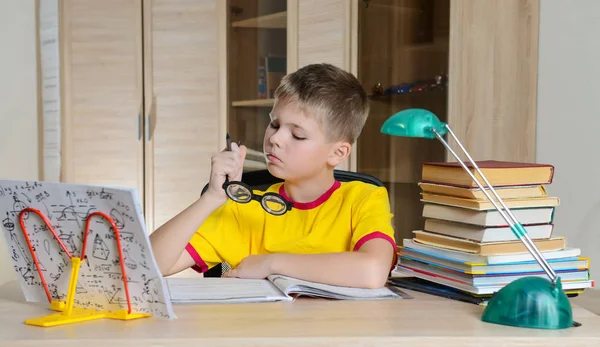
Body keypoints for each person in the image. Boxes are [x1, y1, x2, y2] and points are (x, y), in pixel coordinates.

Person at [150, 63, 396, 289]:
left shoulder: (364, 199)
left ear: (337, 152)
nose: (275, 139)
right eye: (275, 125)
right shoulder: (243, 209)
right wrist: (212, 198)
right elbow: (145, 266)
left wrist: (270, 264)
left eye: (297, 135)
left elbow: (373, 272)